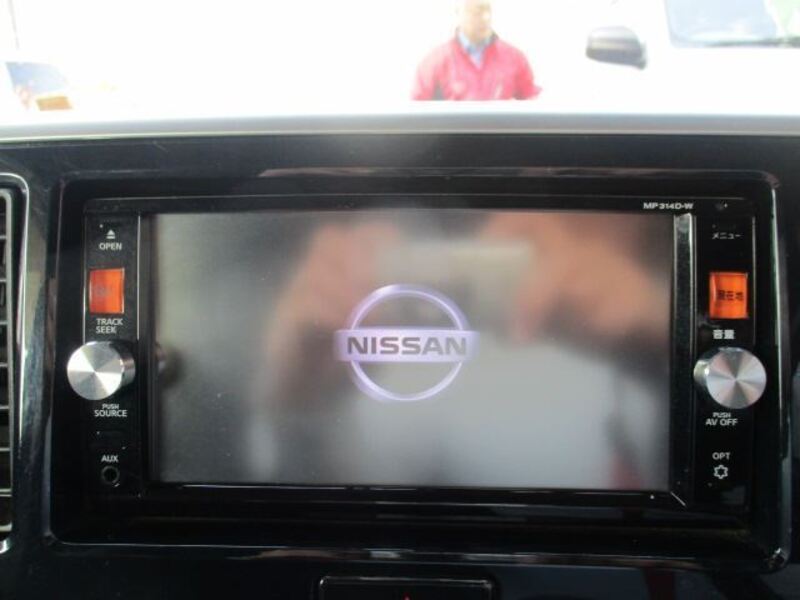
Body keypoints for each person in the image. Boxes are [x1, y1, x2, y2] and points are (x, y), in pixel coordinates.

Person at [412, 0, 539, 101]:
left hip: (500, 127)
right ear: (459, 13)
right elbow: (417, 113)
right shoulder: (434, 62)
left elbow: (533, 104)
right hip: (453, 128)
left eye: (487, 10)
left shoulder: (514, 59)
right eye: (477, 12)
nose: (485, 17)